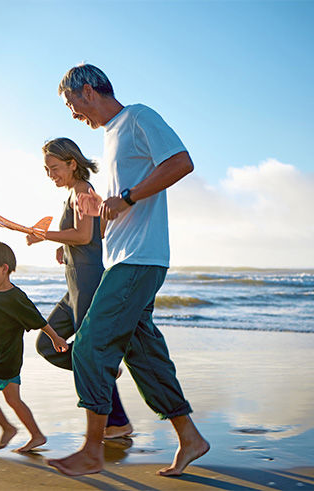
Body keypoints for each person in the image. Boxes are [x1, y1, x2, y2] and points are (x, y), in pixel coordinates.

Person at [46, 64, 210, 477]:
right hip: (123, 258)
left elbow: (181, 162)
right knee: (144, 356)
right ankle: (190, 437)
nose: (73, 114)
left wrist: (128, 197)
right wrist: (100, 209)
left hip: (140, 259)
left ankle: (92, 449)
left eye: (71, 104)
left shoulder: (137, 116)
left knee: (88, 347)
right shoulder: (110, 135)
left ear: (87, 91)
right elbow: (121, 202)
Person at [26, 137, 134, 439]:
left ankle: (117, 422)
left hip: (88, 283)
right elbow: (97, 231)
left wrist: (47, 236)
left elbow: (85, 235)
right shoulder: (76, 193)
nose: (52, 175)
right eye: (47, 170)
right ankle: (105, 371)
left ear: (73, 163)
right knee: (47, 344)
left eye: (55, 168)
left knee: (90, 354)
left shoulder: (84, 190)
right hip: (74, 285)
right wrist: (65, 247)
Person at [0, 236, 69, 453]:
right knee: (13, 399)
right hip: (4, 357)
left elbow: (37, 318)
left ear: (3, 269)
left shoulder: (14, 298)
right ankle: (37, 436)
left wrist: (55, 338)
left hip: (3, 360)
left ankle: (7, 428)